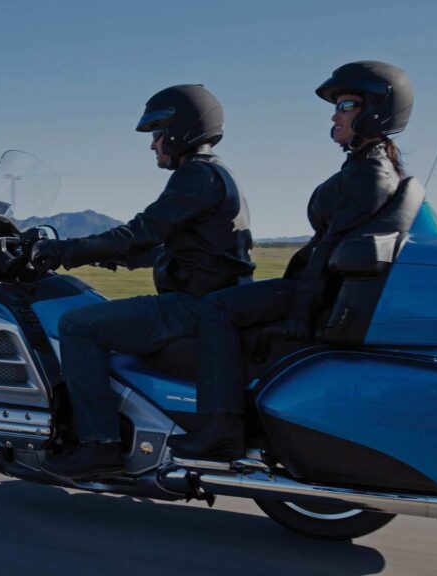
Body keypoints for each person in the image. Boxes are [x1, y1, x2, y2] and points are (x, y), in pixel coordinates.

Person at [167, 60, 414, 459]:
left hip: (321, 290)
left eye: (345, 105)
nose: (335, 115)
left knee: (217, 307)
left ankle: (221, 427)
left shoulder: (370, 173)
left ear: (376, 110)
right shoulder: (365, 166)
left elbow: (331, 248)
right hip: (321, 285)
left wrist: (300, 309)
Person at [30, 84, 254, 477]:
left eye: (157, 133)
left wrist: (63, 251)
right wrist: (103, 256)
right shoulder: (215, 174)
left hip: (194, 305)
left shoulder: (195, 175)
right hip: (213, 300)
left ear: (181, 130)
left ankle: (99, 444)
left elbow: (141, 231)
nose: (153, 144)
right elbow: (170, 248)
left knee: (78, 324)